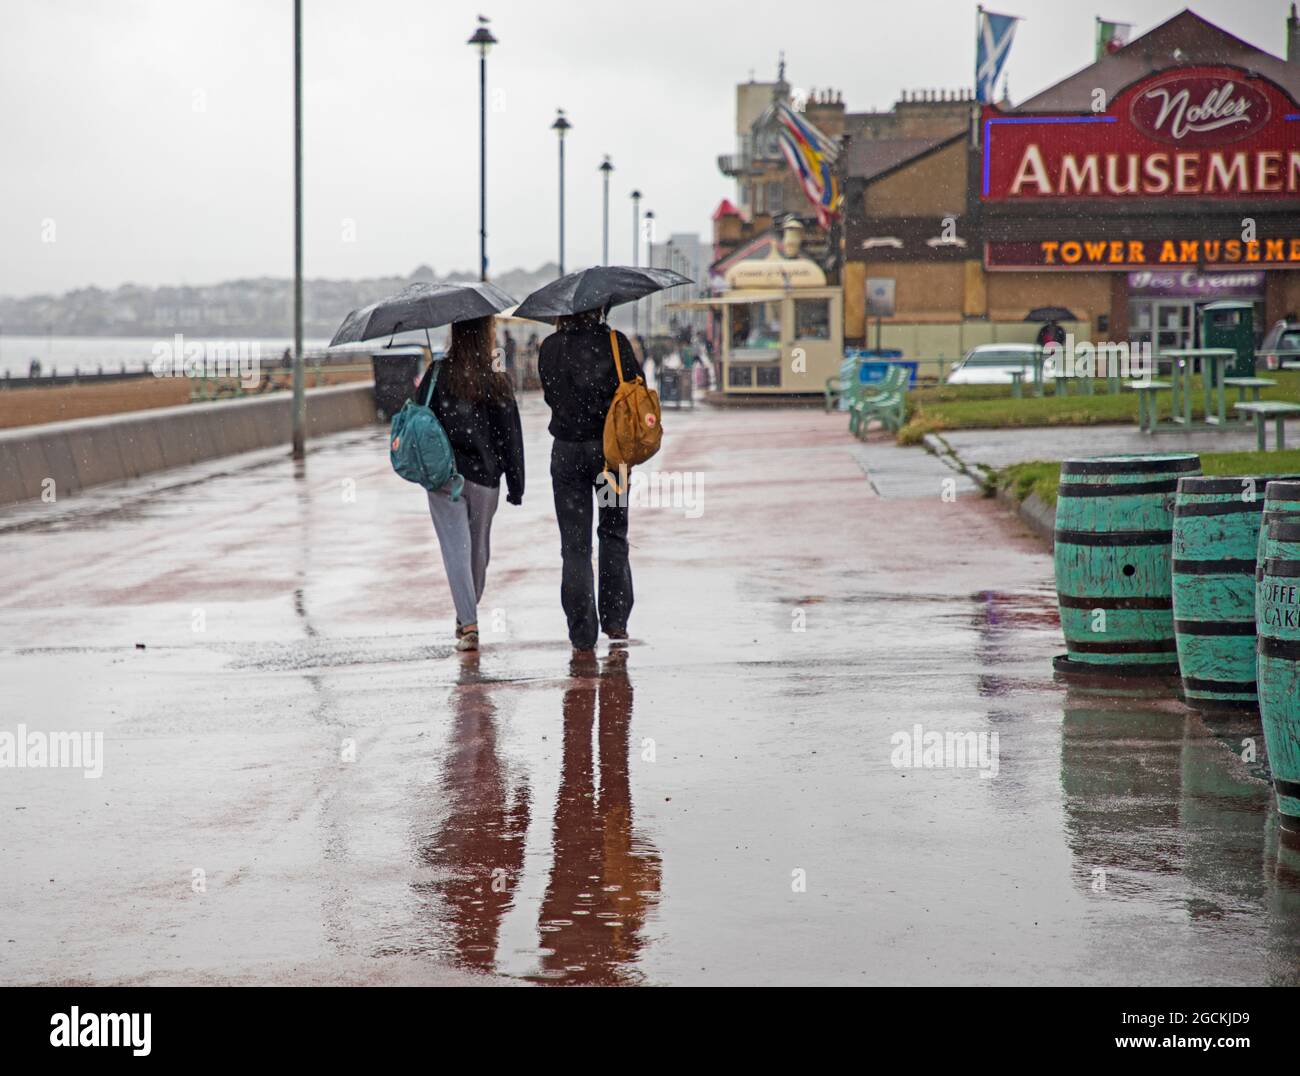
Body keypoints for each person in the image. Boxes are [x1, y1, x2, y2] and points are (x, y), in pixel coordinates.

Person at [414, 315, 524, 653]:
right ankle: (468, 617)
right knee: (477, 552)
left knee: (456, 550)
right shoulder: (497, 378)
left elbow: (419, 421)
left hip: (444, 475)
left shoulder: (436, 374)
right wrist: (516, 484)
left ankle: (468, 618)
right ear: (487, 333)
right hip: (486, 477)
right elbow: (511, 437)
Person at [538, 305, 642, 652]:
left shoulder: (550, 347)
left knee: (574, 545)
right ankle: (615, 620)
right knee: (612, 532)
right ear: (600, 308)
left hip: (567, 454)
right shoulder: (616, 343)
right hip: (610, 456)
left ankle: (582, 633)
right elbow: (635, 391)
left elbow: (550, 396)